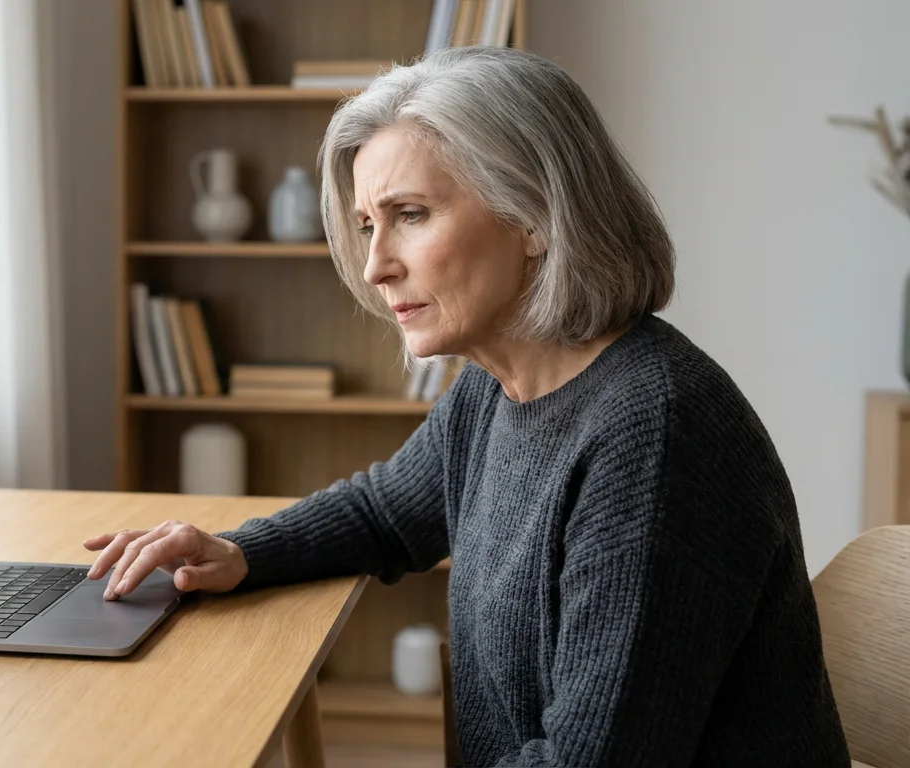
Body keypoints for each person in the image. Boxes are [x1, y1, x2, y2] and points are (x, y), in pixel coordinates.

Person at [83, 46, 849, 766]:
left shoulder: (655, 435)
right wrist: (240, 551)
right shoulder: (498, 385)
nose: (378, 265)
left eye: (410, 214)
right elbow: (386, 514)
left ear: (535, 218)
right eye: (365, 226)